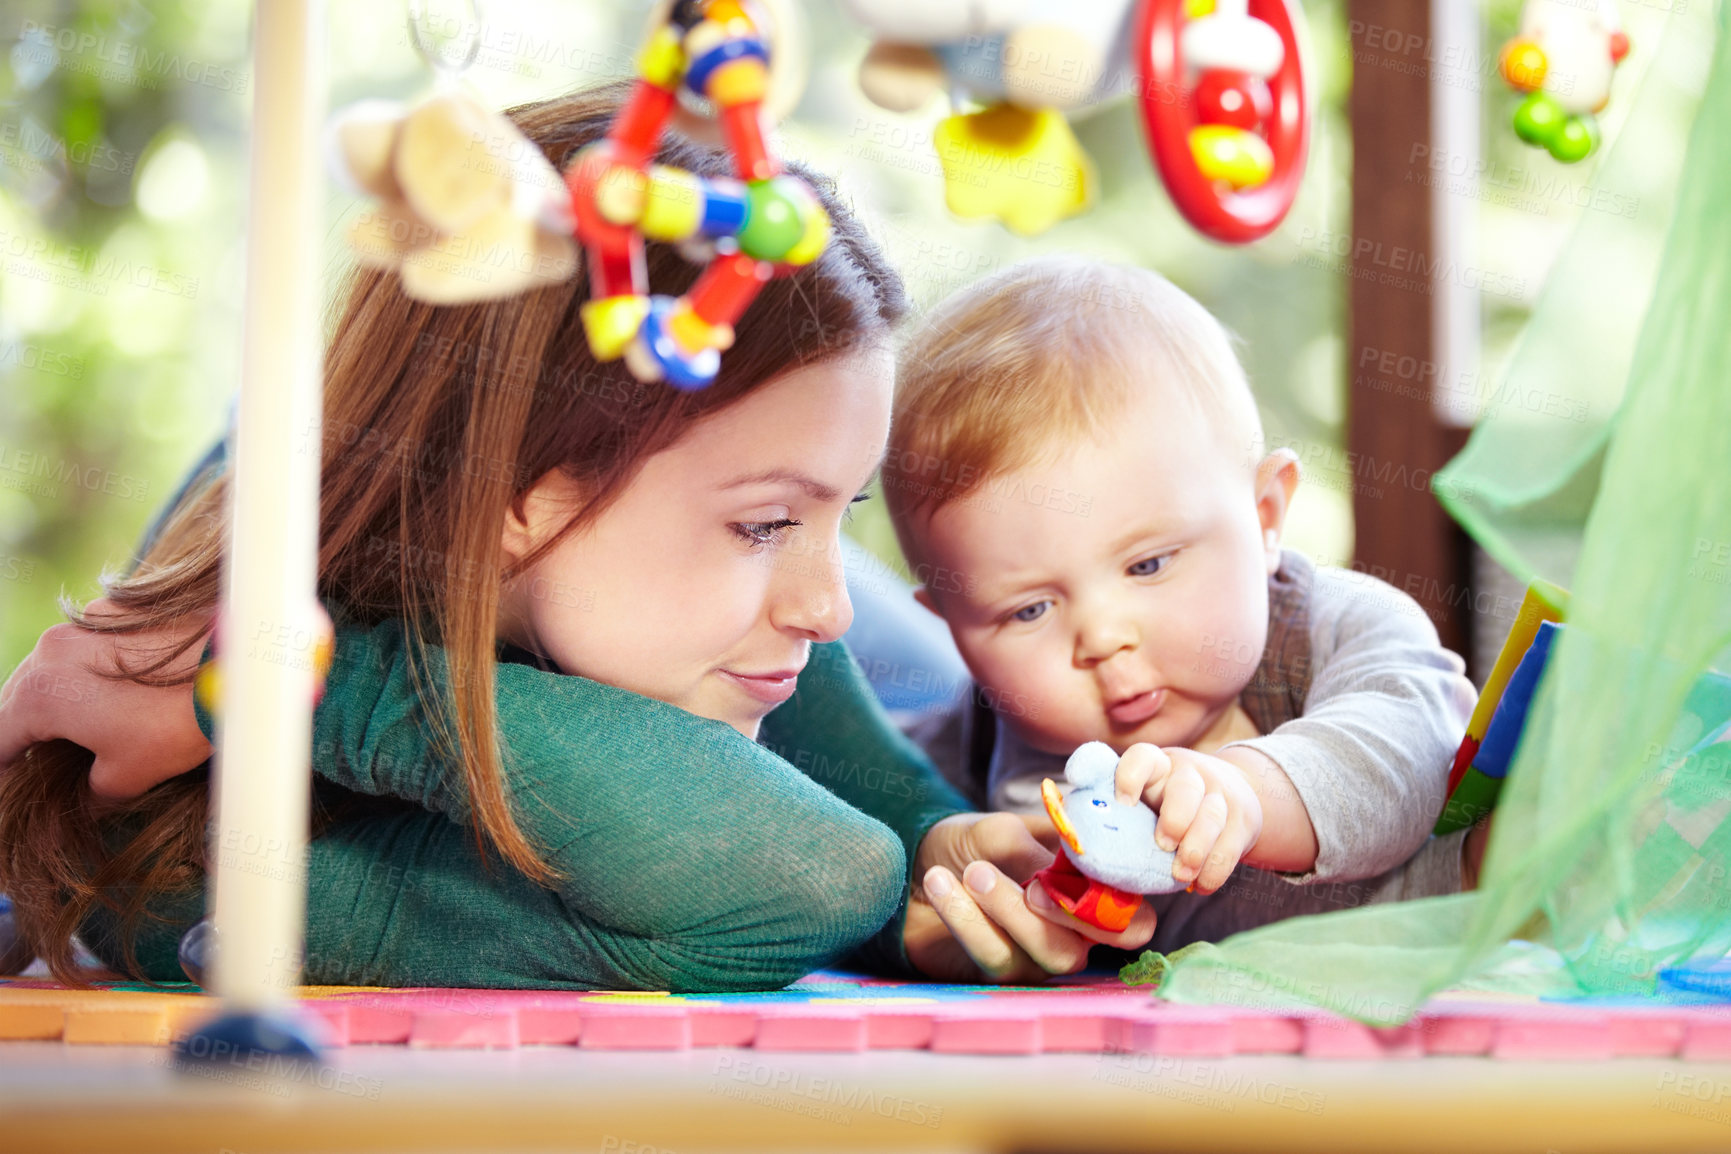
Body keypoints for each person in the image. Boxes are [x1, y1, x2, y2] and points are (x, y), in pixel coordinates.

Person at [0, 86, 1154, 992]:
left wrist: (948, 866)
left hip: (726, 645)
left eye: (839, 509)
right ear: (518, 495)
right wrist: (267, 678)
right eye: (767, 521)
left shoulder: (748, 611)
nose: (826, 600)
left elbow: (876, 837)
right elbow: (810, 875)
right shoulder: (154, 773)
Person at [881, 256, 1490, 953]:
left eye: (1147, 564)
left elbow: (1405, 751)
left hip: (1443, 949)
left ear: (1264, 517)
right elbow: (865, 812)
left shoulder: (1333, 628)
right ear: (954, 631)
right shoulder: (982, 735)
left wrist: (1243, 792)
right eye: (1028, 611)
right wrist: (939, 886)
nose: (1103, 637)